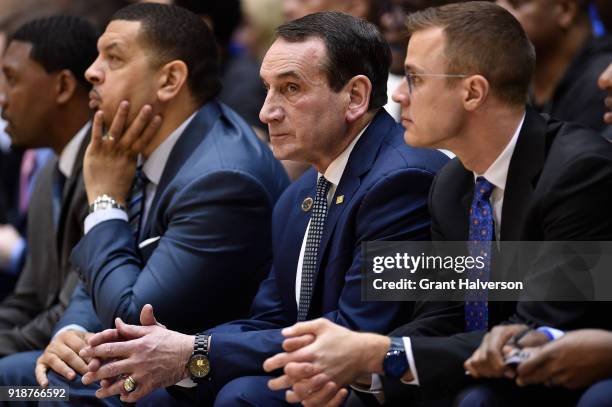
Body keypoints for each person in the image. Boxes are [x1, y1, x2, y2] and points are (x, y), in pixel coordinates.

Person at [77, 11, 461, 406]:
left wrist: (195, 353)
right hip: (311, 367)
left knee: (242, 397)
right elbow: (271, 320)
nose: (266, 112)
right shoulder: (298, 197)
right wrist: (175, 350)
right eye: (267, 89)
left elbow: (358, 329)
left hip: (385, 384)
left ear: (355, 97)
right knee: (152, 395)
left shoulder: (402, 179)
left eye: (291, 88)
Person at [262, 2, 612, 406]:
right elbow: (443, 315)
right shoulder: (451, 185)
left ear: (472, 92)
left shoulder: (579, 172)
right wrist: (361, 366)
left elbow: (540, 331)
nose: (398, 93)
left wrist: (378, 354)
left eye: (415, 78)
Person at [0, 3, 288, 404]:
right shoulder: (143, 139)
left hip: (189, 383)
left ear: (170, 79)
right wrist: (70, 332)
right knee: (16, 378)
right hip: (129, 361)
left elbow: (134, 314)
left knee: (10, 386)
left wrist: (104, 201)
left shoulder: (222, 178)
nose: (92, 71)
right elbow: (96, 275)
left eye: (113, 58)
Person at [0, 15, 96, 356]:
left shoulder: (104, 172)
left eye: (11, 80)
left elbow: (68, 311)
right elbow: (27, 299)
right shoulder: (49, 171)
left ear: (64, 87)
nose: (2, 99)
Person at [497, 0, 612, 133]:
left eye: (515, 4)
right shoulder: (513, 79)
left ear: (565, 10)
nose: (498, 11)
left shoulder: (604, 83)